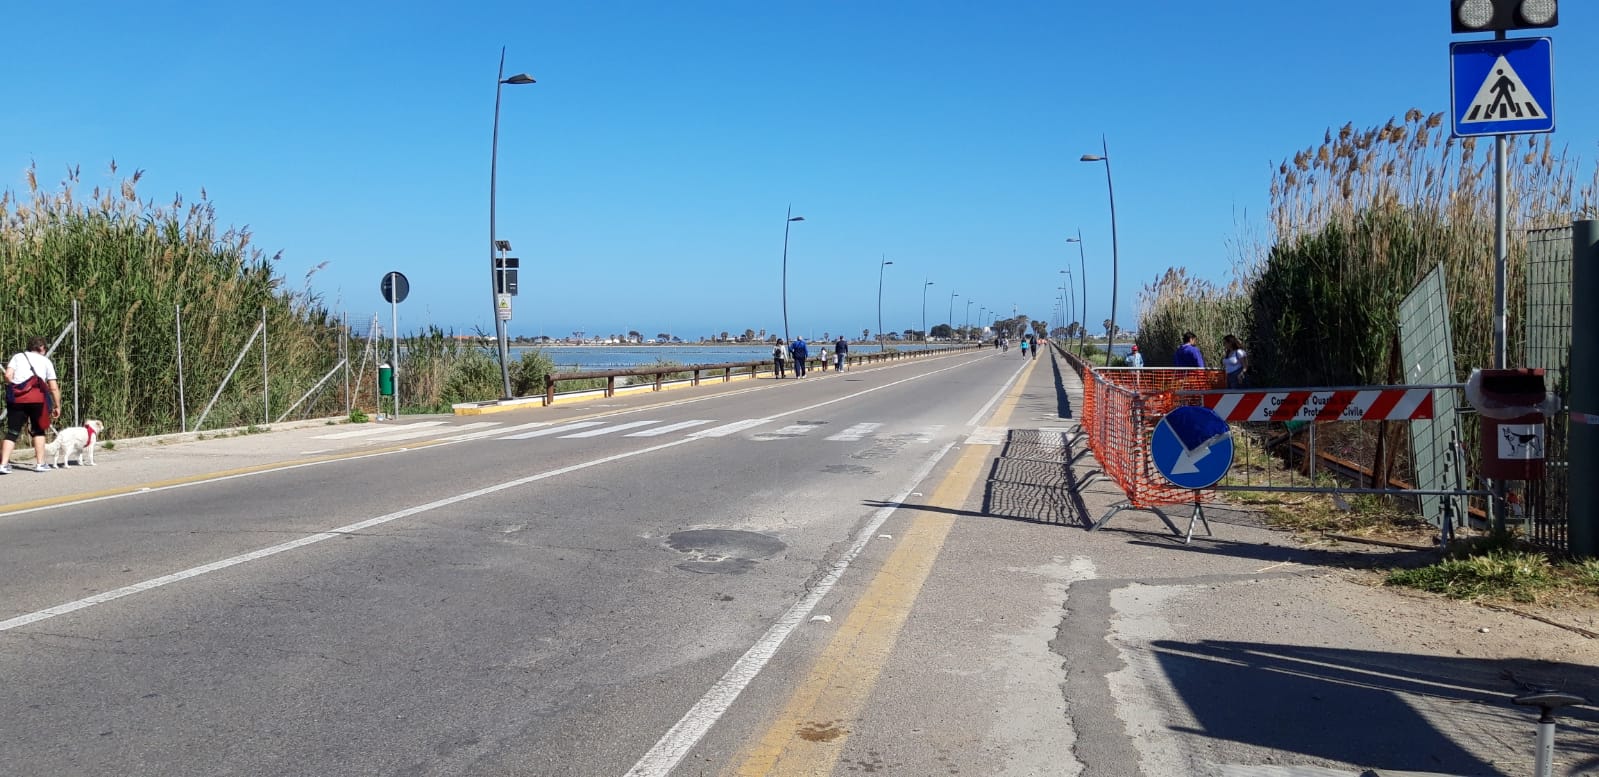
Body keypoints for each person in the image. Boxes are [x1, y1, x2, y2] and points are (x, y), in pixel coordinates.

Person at [1, 337, 62, 474]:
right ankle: (40, 464)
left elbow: (8, 376)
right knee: (38, 431)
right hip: (37, 400)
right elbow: (53, 387)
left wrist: (16, 386)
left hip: (17, 400)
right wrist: (57, 406)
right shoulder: (46, 361)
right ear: (42, 348)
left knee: (12, 431)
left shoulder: (18, 357)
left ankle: (3, 464)